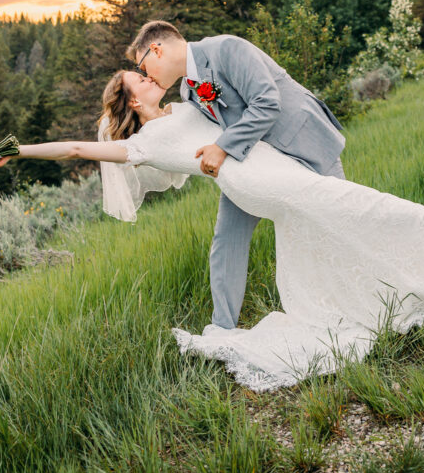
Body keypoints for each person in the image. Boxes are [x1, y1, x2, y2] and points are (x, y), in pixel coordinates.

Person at [0, 70, 424, 392]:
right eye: (140, 80)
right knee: (356, 202)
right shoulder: (143, 143)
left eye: (146, 72)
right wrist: (11, 151)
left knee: (333, 227)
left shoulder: (185, 100)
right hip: (258, 180)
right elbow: (76, 148)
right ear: (131, 101)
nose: (151, 78)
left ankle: (398, 281)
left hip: (268, 166)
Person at [126, 20, 347, 331]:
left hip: (305, 142)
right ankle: (223, 328)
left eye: (142, 64)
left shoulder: (226, 48)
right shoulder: (188, 90)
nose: (145, 74)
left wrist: (222, 147)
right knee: (227, 236)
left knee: (341, 220)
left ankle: (359, 302)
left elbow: (267, 103)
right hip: (254, 163)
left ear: (157, 49)